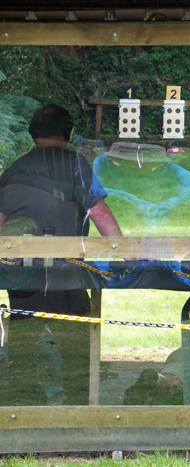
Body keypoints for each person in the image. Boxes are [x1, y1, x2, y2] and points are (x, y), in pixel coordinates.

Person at [0, 104, 122, 405]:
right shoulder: (76, 165)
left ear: (33, 132)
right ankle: (78, 402)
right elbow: (99, 213)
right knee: (76, 342)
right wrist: (124, 252)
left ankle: (21, 401)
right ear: (67, 131)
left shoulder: (13, 170)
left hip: (21, 275)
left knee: (23, 337)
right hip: (66, 273)